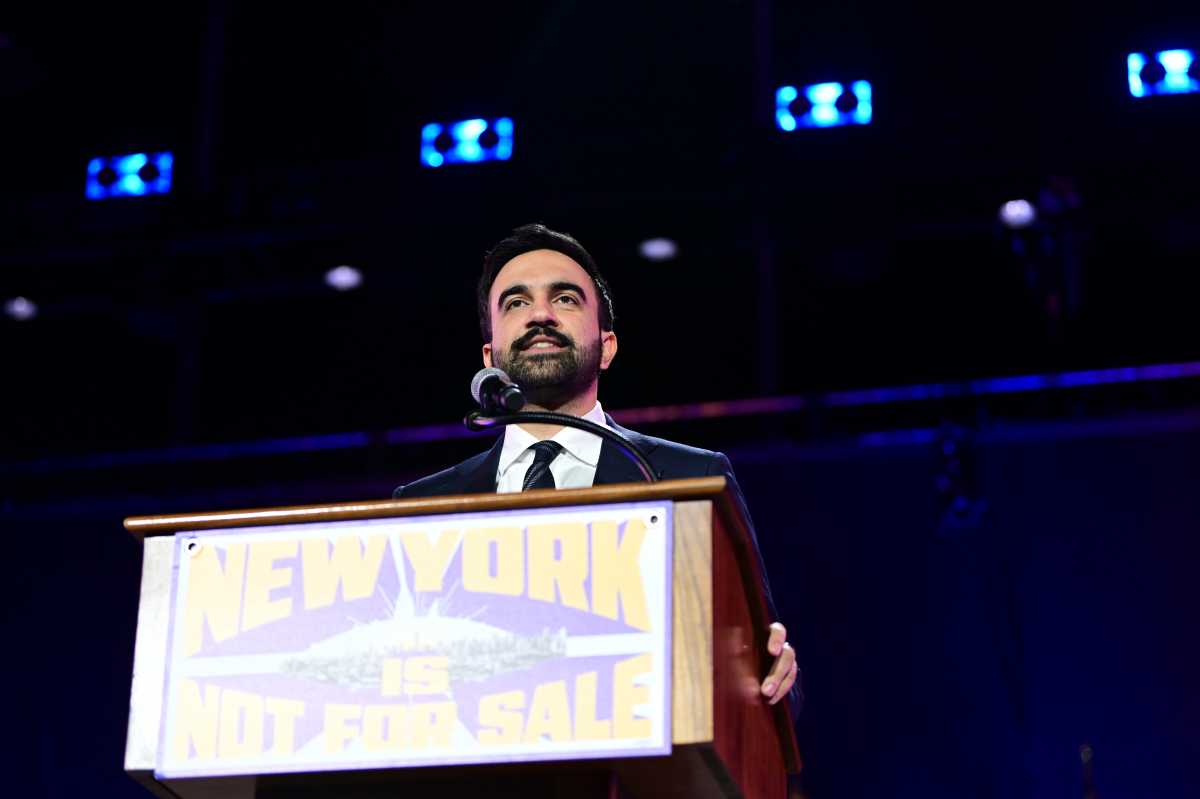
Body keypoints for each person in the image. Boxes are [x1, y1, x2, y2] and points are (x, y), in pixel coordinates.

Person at [394, 223, 799, 708]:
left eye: (565, 299)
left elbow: (763, 674)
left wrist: (772, 675)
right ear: (490, 354)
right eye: (516, 303)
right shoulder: (424, 505)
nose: (540, 315)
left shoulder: (690, 479)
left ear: (607, 346)